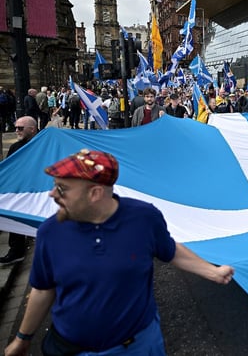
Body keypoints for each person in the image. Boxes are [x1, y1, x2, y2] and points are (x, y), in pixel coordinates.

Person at [3, 149, 234, 355]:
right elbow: (43, 290)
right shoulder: (50, 232)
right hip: (73, 348)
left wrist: (212, 272)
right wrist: (23, 338)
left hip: (140, 346)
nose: (52, 194)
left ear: (94, 193)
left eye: (62, 188)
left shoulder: (144, 217)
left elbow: (169, 249)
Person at [0, 116, 38, 267]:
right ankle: (16, 250)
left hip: (41, 189)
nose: (16, 131)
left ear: (32, 129)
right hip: (22, 189)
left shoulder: (44, 143)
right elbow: (9, 169)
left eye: (20, 128)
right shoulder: (15, 147)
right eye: (16, 127)